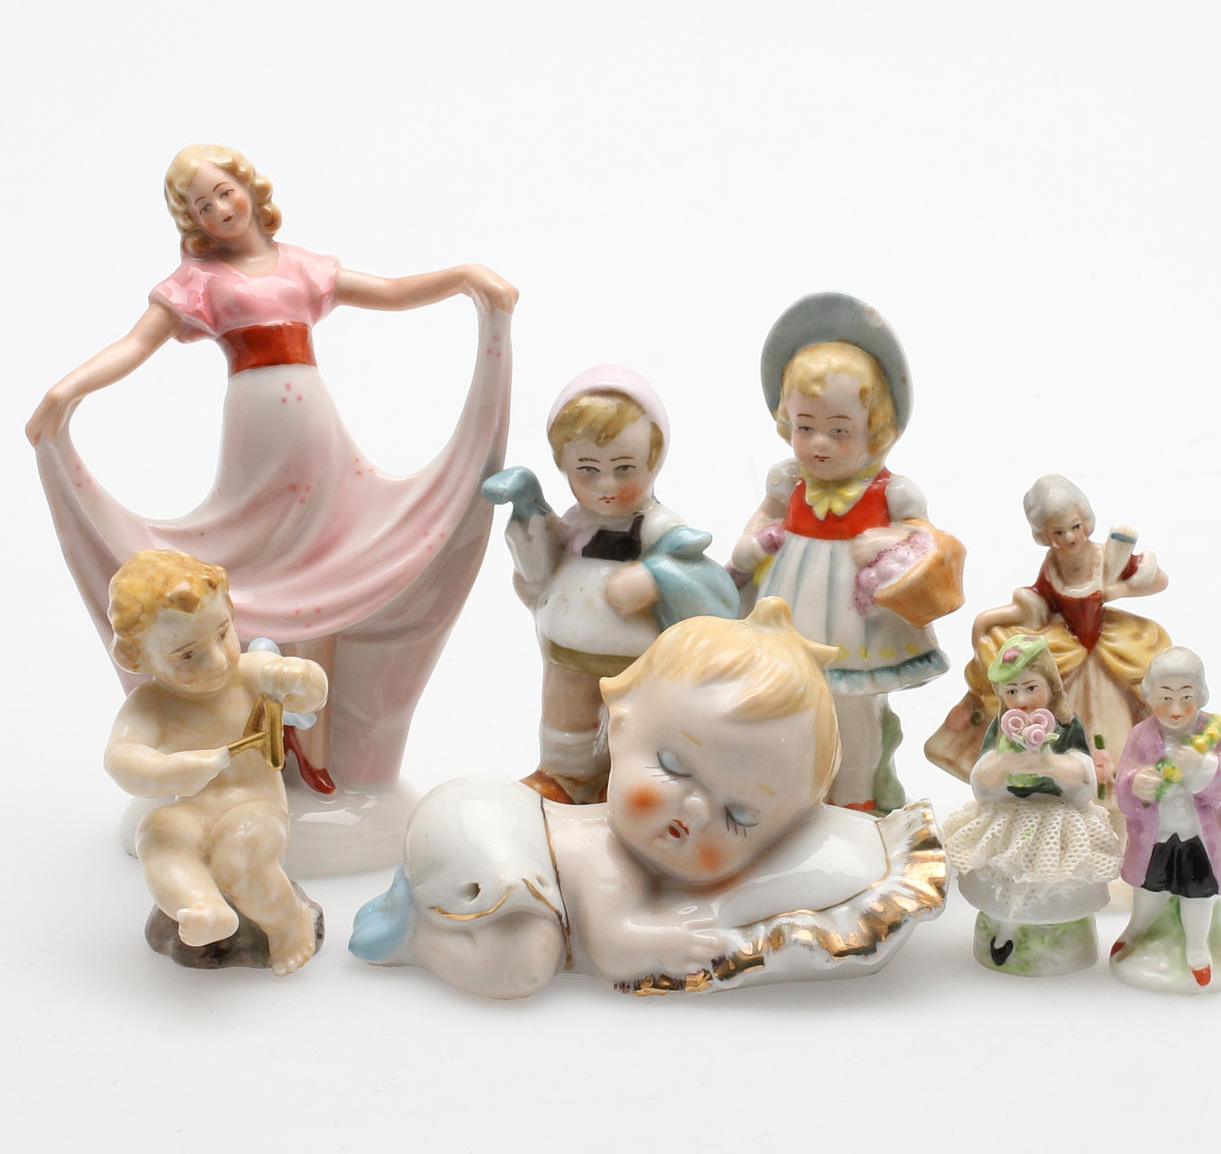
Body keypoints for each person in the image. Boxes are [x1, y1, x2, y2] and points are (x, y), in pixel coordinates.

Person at [27, 144, 516, 821]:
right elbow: (137, 345)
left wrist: (464, 276)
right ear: (193, 220)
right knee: (256, 579)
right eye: (202, 205)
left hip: (316, 434)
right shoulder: (199, 281)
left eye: (224, 191)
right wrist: (66, 392)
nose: (219, 209)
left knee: (325, 584)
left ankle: (315, 752)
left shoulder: (302, 266)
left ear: (250, 189)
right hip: (256, 436)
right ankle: (249, 740)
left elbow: (394, 292)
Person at [349, 599, 946, 997]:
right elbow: (613, 949)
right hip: (483, 824)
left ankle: (428, 908)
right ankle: (414, 933)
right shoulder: (609, 862)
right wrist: (674, 941)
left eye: (739, 815)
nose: (694, 810)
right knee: (524, 965)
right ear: (621, 724)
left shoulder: (644, 862)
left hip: (481, 822)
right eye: (675, 767)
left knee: (529, 948)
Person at [729, 293, 964, 813]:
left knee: (853, 708)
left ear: (874, 429)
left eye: (839, 431)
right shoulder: (787, 480)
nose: (819, 444)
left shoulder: (893, 492)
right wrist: (749, 546)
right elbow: (763, 520)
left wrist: (889, 541)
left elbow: (926, 540)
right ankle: (794, 792)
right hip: (790, 608)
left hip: (857, 626)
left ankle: (858, 797)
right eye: (805, 427)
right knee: (789, 700)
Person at [483, 365, 737, 803]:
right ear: (564, 465)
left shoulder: (658, 527)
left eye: (624, 468)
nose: (606, 485)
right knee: (567, 711)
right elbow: (537, 571)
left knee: (636, 719)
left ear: (653, 462)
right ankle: (566, 775)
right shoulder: (574, 524)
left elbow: (705, 581)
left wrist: (654, 576)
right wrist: (526, 509)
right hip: (568, 648)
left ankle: (629, 779)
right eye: (587, 469)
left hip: (636, 657)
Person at [104, 550, 328, 974]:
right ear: (137, 658)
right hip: (192, 809)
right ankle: (203, 908)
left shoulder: (251, 673)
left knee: (237, 856)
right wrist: (172, 770)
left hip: (254, 804)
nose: (218, 660)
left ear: (229, 610)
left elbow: (311, 696)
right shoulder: (150, 706)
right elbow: (121, 759)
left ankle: (289, 923)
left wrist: (298, 677)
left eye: (222, 634)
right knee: (157, 833)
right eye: (187, 655)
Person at [926, 474, 1168, 838]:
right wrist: (1000, 617)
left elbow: (1158, 580)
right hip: (1067, 652)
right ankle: (1058, 802)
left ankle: (1119, 818)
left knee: (1114, 727)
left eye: (1075, 527)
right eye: (1058, 532)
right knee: (1041, 699)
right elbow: (1040, 603)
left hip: (1107, 651)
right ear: (1044, 535)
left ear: (1086, 521)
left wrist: (1116, 589)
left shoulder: (1106, 556)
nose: (1069, 538)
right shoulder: (1052, 565)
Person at [941, 633, 1121, 975]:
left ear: (1050, 686)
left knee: (1055, 876)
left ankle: (1059, 940)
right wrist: (1004, 765)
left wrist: (1049, 764)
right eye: (1012, 691)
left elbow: (1084, 777)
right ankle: (1003, 934)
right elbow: (982, 778)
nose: (1021, 700)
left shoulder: (1066, 725)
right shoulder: (1001, 727)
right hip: (1009, 816)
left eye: (1030, 688)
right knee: (1005, 871)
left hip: (1059, 819)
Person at [1111, 646, 1221, 993]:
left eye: (1185, 697)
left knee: (1198, 895)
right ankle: (1136, 930)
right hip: (1156, 835)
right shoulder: (1142, 734)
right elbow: (1123, 777)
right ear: (1150, 696)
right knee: (1148, 889)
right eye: (1165, 697)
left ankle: (1198, 950)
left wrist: (1206, 766)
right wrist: (1135, 783)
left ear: (1199, 695)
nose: (1175, 709)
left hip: (1198, 836)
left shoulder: (1213, 731)